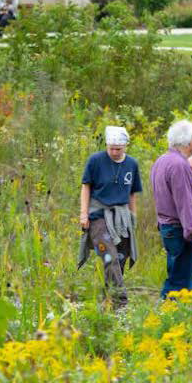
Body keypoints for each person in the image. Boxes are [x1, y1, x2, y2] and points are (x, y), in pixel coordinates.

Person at [78, 126, 142, 307]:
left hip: (122, 218)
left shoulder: (132, 164)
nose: (114, 152)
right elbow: (86, 186)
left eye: (118, 149)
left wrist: (133, 217)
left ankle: (108, 303)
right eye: (111, 148)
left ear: (125, 146)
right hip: (98, 217)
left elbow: (132, 194)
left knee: (119, 260)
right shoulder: (95, 161)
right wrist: (84, 214)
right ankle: (122, 304)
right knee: (109, 257)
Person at [151, 120, 192, 298]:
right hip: (181, 229)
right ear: (190, 143)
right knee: (181, 283)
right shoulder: (179, 165)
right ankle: (170, 318)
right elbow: (184, 202)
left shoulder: (162, 161)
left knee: (175, 275)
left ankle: (170, 316)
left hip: (168, 227)